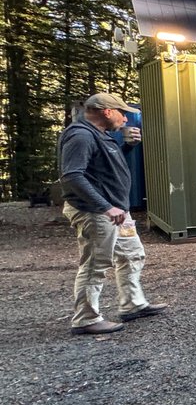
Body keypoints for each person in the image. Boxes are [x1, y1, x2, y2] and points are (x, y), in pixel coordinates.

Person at [58, 92, 167, 335]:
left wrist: (128, 147)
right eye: (123, 113)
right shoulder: (81, 135)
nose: (126, 119)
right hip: (97, 212)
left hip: (117, 211)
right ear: (107, 111)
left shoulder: (102, 136)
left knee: (131, 255)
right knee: (96, 263)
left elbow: (108, 169)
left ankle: (133, 304)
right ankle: (85, 319)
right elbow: (72, 175)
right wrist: (106, 207)